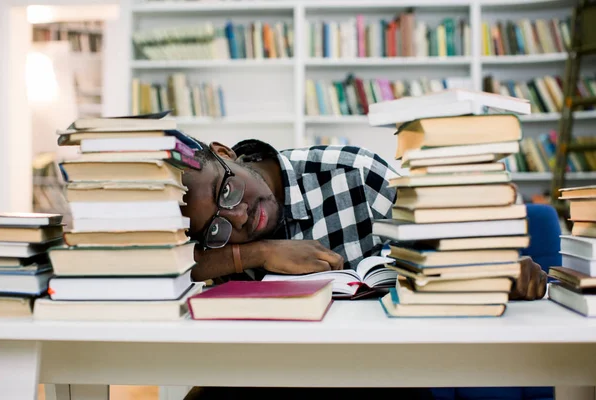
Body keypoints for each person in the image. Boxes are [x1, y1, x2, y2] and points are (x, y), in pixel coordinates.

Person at [180, 139, 547, 400]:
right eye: (216, 226)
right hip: (270, 377)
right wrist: (256, 253)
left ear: (226, 153)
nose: (239, 216)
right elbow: (167, 265)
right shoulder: (216, 240)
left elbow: (442, 241)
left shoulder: (351, 173)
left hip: (378, 374)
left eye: (226, 191)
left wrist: (493, 267)